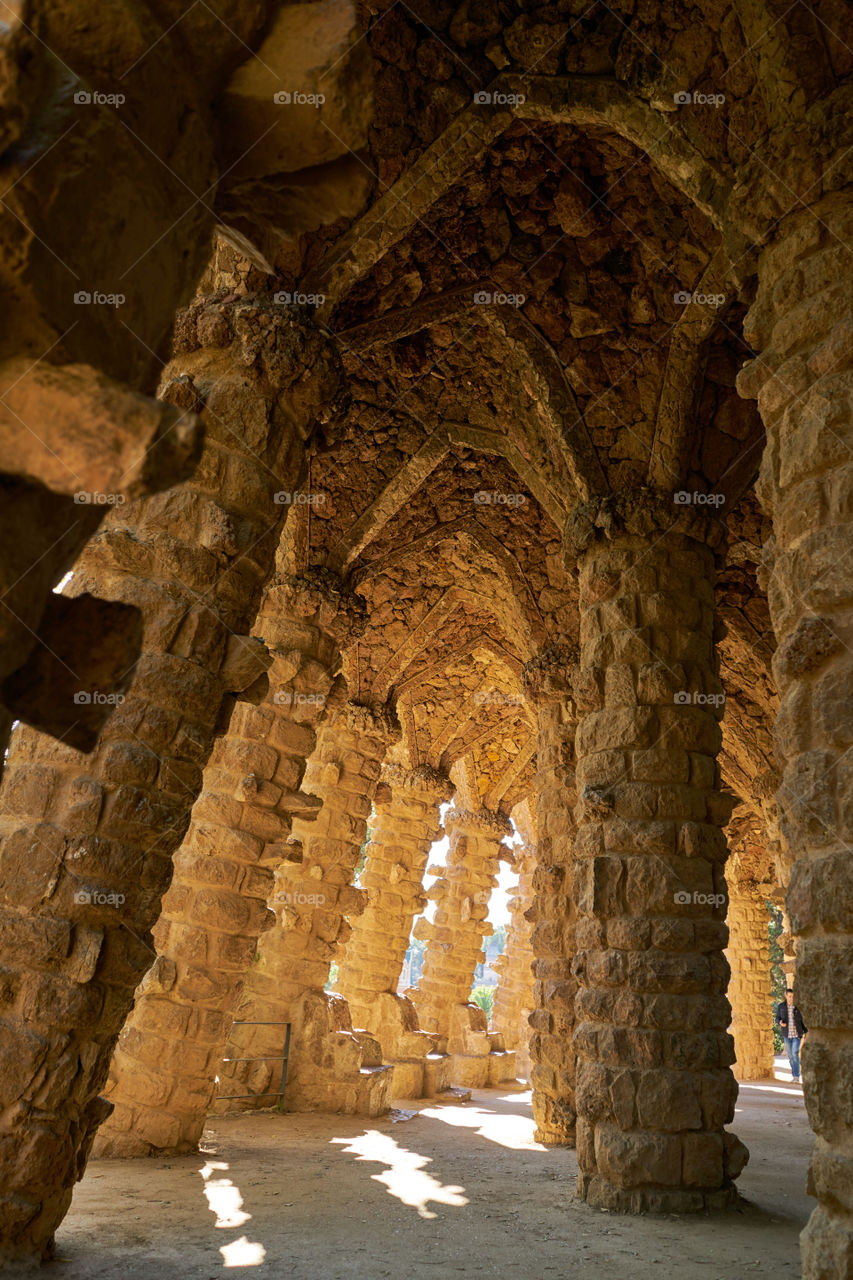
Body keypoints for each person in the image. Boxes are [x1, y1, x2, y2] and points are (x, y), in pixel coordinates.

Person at [776, 988, 807, 1084]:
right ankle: (794, 1075)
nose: (791, 998)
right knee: (790, 1056)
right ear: (786, 996)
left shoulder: (798, 1006)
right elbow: (777, 1018)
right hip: (787, 1035)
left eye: (793, 996)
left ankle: (796, 1076)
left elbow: (803, 1020)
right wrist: (780, 1022)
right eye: (789, 996)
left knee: (795, 1053)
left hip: (797, 1034)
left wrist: (806, 1031)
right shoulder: (781, 1006)